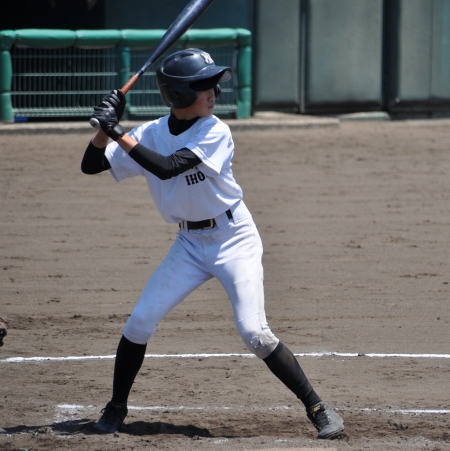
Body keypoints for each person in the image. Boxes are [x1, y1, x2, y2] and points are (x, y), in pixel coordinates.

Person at [81, 48, 344, 440]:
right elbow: (91, 164)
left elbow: (168, 168)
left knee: (254, 332)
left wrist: (118, 130)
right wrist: (104, 129)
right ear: (179, 95)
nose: (214, 93)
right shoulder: (150, 133)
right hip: (188, 244)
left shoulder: (215, 130)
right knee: (139, 323)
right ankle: (116, 406)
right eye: (204, 86)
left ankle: (318, 408)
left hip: (233, 239)